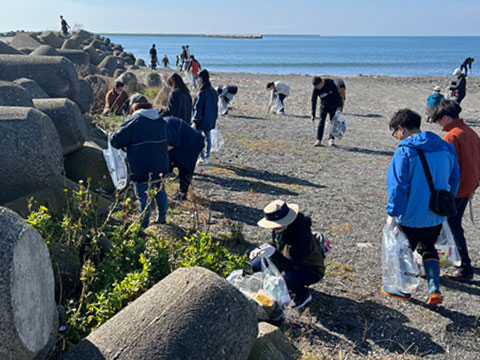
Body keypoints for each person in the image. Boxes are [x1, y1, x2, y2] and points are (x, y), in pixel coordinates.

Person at [384, 109, 460, 306]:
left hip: (410, 214)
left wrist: (393, 213)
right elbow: (454, 178)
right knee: (429, 248)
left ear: (401, 129)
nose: (396, 137)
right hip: (436, 213)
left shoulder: (405, 152)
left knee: (404, 249)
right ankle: (434, 289)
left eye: (395, 132)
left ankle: (404, 288)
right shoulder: (445, 147)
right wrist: (447, 197)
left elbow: (399, 187)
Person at [431, 100, 480, 280]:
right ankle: (454, 261)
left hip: (456, 190)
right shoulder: (471, 132)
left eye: (438, 120)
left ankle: (462, 266)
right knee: (453, 225)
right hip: (468, 187)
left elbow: (447, 169)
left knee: (449, 227)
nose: (438, 124)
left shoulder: (451, 136)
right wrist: (475, 185)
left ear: (446, 117)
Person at [251, 200, 325, 309]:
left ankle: (303, 294)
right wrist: (263, 248)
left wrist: (273, 253)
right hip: (288, 261)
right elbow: (277, 243)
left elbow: (291, 263)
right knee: (256, 264)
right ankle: (274, 285)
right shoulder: (281, 229)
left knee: (287, 277)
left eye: (276, 227)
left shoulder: (301, 235)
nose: (274, 230)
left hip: (310, 269)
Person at [110, 94, 171, 228]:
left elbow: (116, 140)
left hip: (141, 165)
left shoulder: (134, 120)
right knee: (160, 191)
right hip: (161, 163)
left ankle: (144, 225)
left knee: (142, 197)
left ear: (133, 107)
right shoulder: (160, 119)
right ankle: (162, 219)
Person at [164, 116, 205, 202]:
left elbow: (173, 143)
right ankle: (180, 191)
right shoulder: (163, 123)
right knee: (171, 159)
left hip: (191, 143)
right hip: (182, 143)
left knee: (185, 168)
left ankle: (182, 195)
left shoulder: (165, 125)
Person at [192, 69, 218, 166]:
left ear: (201, 79)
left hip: (201, 120)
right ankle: (207, 156)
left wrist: (195, 120)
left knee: (199, 140)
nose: (198, 79)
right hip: (210, 119)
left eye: (199, 78)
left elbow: (197, 108)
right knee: (208, 138)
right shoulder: (213, 91)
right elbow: (215, 107)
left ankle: (202, 158)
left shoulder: (201, 93)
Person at [311, 76, 342, 147]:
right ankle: (318, 140)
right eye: (316, 87)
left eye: (318, 86)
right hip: (324, 105)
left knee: (333, 122)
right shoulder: (316, 88)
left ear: (322, 82)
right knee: (321, 121)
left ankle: (331, 139)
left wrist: (339, 106)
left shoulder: (330, 83)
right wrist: (313, 114)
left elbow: (337, 95)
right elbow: (313, 100)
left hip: (333, 105)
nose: (318, 88)